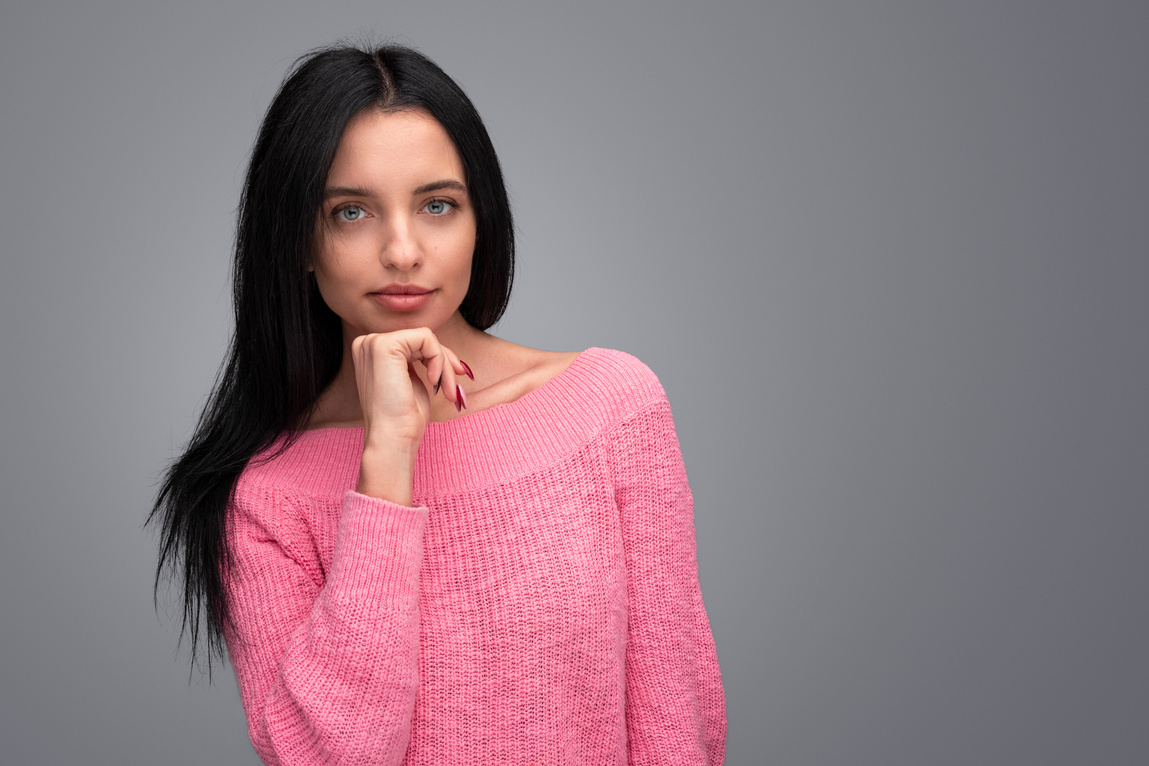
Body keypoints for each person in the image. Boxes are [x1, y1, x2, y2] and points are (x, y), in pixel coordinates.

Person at [151, 43, 725, 765]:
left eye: (437, 205)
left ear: (480, 222)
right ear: (299, 239)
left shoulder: (609, 407)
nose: (402, 250)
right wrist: (386, 457)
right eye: (352, 211)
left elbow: (677, 722)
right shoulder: (264, 500)